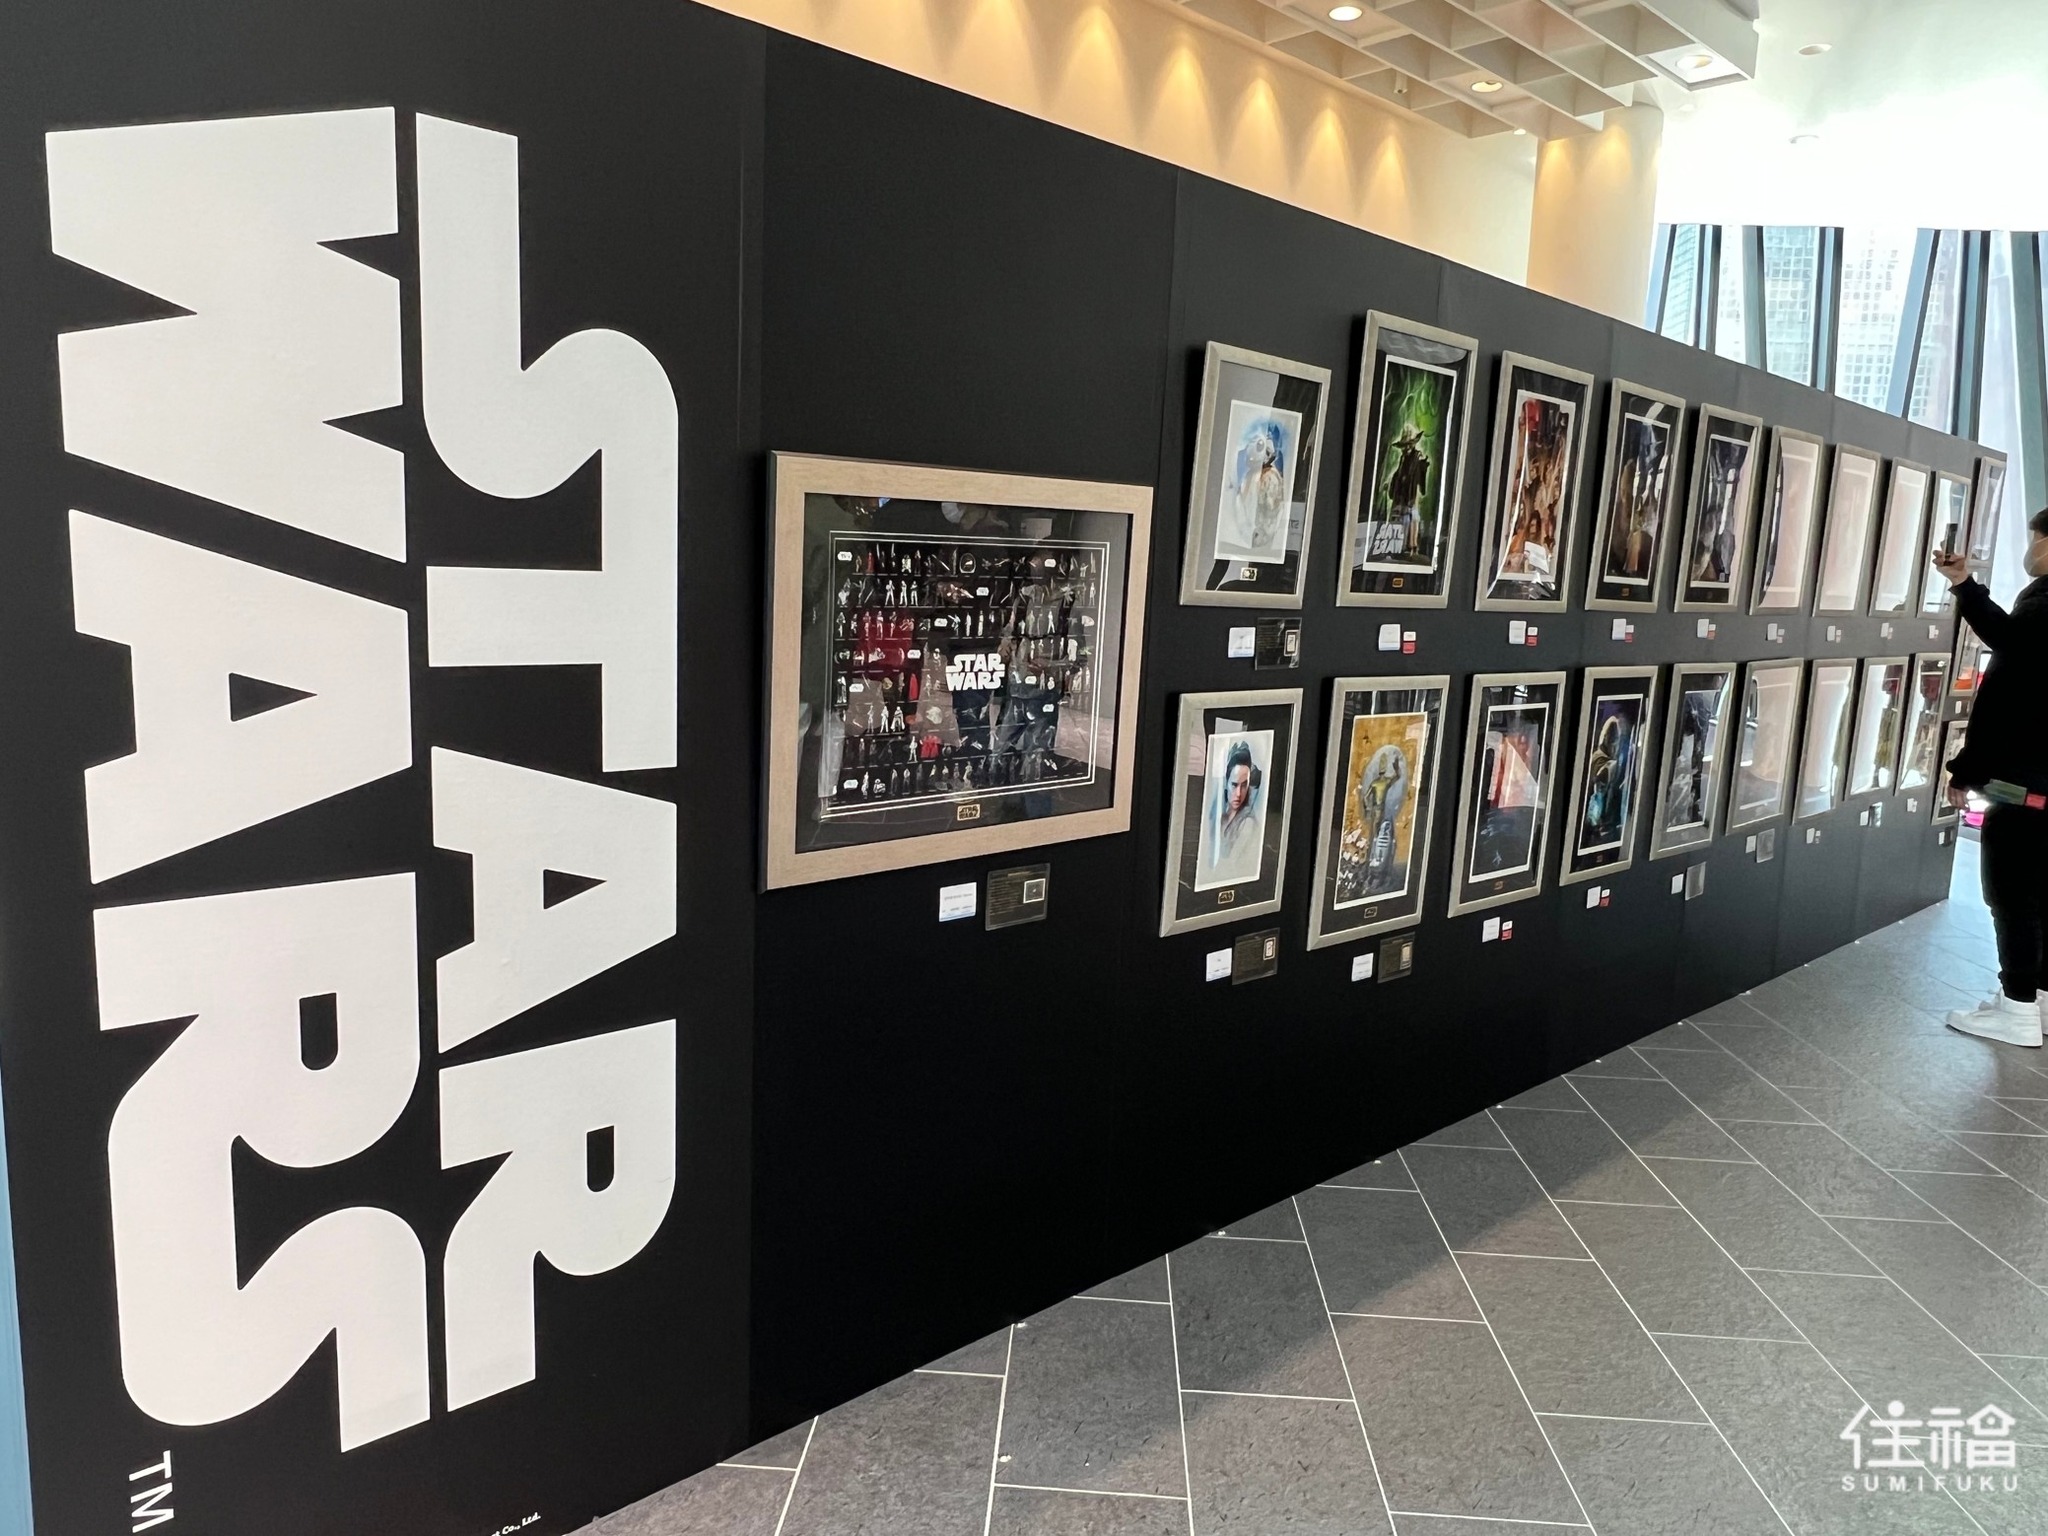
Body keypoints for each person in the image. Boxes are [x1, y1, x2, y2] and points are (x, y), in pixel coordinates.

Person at [1934, 507, 2048, 1048]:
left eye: (2036, 538)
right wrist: (1964, 583)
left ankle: (2018, 1007)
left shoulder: (2044, 606)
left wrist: (1965, 772)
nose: (2031, 549)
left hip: (2026, 791)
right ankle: (2038, 1001)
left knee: (2013, 897)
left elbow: (2004, 705)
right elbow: (2007, 636)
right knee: (2042, 897)